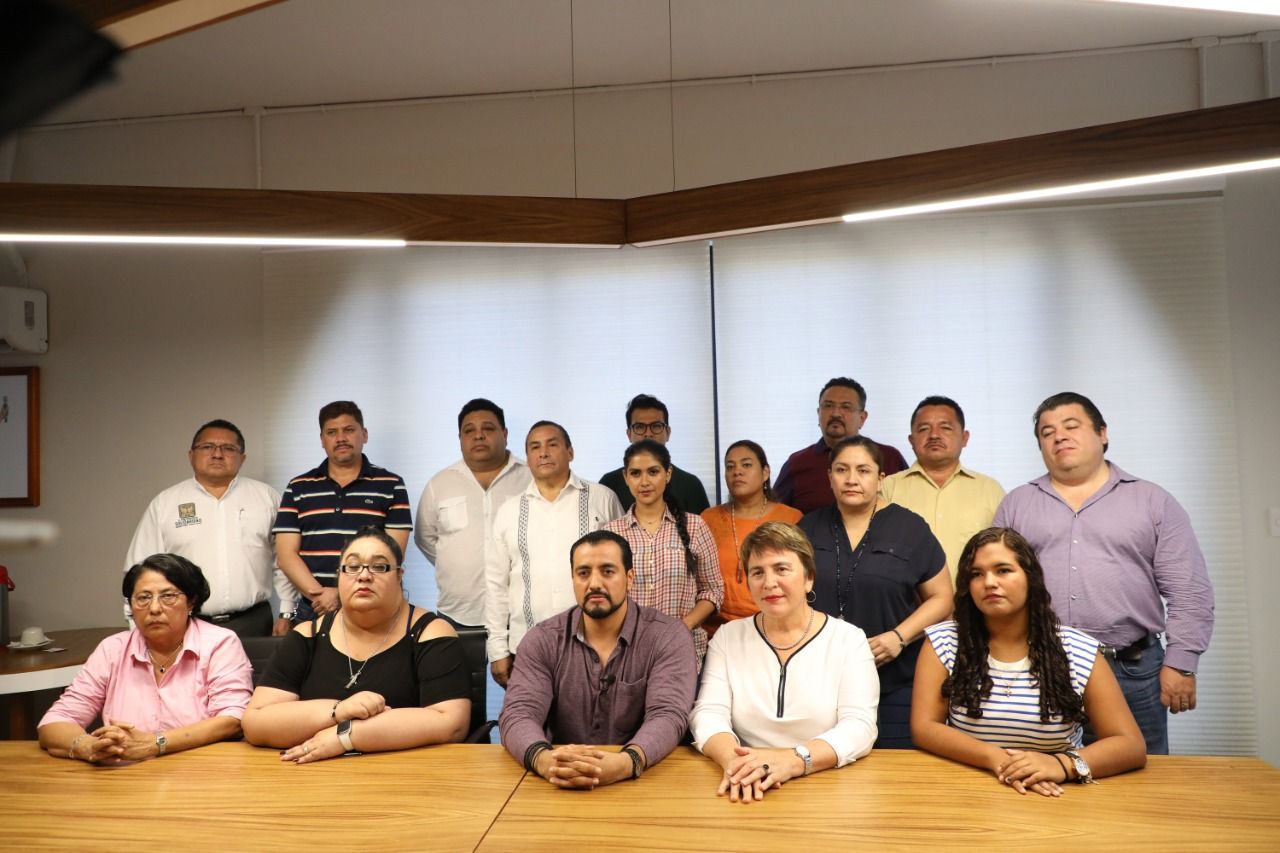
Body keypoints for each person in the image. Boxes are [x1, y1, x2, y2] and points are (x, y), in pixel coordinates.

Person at [993, 392, 1214, 755]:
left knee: (1139, 777)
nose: (1059, 436)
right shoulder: (1017, 505)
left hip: (1132, 671)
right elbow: (997, 588)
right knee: (1042, 775)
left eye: (1071, 426)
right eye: (1047, 432)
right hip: (1042, 668)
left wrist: (1182, 664)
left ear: (1102, 433)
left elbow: (1188, 590)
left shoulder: (1152, 501)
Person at [912, 527, 1147, 796]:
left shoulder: (1077, 649)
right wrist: (997, 759)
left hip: (1057, 793)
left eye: (1003, 570)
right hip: (967, 789)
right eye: (976, 574)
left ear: (1030, 578)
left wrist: (1061, 765)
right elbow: (924, 728)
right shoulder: (943, 641)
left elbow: (1130, 745)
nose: (989, 582)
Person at [242, 527, 470, 762]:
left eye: (379, 567)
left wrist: (346, 736)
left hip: (407, 772)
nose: (364, 576)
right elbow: (255, 723)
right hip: (316, 774)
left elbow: (451, 723)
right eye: (352, 566)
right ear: (339, 576)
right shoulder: (307, 635)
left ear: (399, 576)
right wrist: (338, 711)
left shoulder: (430, 632)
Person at [690, 521, 879, 803]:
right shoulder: (728, 637)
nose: (769, 583)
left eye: (781, 569)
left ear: (808, 578)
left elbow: (860, 726)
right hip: (744, 783)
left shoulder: (849, 640)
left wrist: (794, 761)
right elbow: (708, 713)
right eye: (757, 572)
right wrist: (735, 763)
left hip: (825, 783)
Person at [499, 530, 697, 788]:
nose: (594, 583)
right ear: (573, 579)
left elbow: (668, 715)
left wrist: (626, 763)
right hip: (561, 778)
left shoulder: (668, 636)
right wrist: (545, 761)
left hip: (645, 778)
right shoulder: (542, 639)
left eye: (607, 571)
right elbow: (519, 713)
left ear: (629, 578)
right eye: (583, 573)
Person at [798, 435, 953, 748]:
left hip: (894, 680)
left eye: (863, 470)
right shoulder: (808, 528)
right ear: (829, 476)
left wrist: (899, 637)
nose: (851, 479)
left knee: (896, 768)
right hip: (822, 681)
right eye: (841, 470)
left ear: (881, 478)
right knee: (828, 764)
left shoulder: (910, 528)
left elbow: (942, 598)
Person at [38, 554, 253, 762]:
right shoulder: (112, 649)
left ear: (191, 602)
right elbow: (55, 722)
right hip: (125, 773)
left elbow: (232, 718)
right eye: (143, 598)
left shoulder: (219, 643)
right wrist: (88, 747)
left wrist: (156, 743)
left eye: (168, 596)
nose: (154, 608)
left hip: (199, 771)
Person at [124, 419, 296, 638]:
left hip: (254, 622)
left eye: (228, 448)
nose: (217, 454)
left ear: (242, 458)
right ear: (191, 455)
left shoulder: (267, 498)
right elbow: (139, 570)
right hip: (185, 622)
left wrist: (287, 612)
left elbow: (284, 560)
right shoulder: (165, 504)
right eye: (207, 447)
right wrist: (136, 625)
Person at [484, 421, 622, 687]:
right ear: (527, 458)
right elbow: (496, 585)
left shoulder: (602, 499)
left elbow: (622, 572)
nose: (543, 453)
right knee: (533, 713)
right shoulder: (509, 511)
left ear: (570, 452)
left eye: (552, 444)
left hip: (599, 644)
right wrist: (497, 649)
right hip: (529, 647)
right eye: (535, 447)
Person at [273, 401, 412, 624]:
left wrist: (341, 594)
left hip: (372, 604)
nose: (340, 438)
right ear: (322, 439)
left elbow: (393, 554)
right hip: (314, 607)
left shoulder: (391, 484)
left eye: (348, 430)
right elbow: (286, 555)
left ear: (364, 435)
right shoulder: (298, 487)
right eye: (332, 432)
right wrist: (321, 595)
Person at [603, 440, 724, 664]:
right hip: (627, 653)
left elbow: (713, 590)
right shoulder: (612, 533)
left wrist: (684, 625)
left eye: (653, 472)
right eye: (636, 473)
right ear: (626, 478)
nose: (644, 482)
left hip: (682, 650)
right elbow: (605, 593)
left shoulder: (695, 526)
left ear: (668, 474)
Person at [415, 398, 531, 629]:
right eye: (469, 430)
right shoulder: (440, 484)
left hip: (520, 612)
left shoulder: (530, 478)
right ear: (460, 438)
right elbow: (425, 538)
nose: (478, 435)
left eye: (488, 428)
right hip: (456, 614)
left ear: (505, 433)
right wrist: (455, 565)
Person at [881, 396, 1005, 581]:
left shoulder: (990, 490)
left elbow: (1004, 554)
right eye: (924, 429)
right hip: (905, 598)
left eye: (945, 428)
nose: (934, 435)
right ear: (911, 440)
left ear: (964, 438)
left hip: (972, 598)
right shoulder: (888, 488)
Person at [701, 440, 803, 633]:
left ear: (765, 473)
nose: (737, 472)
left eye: (746, 465)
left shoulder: (791, 518)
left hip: (774, 626)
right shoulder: (707, 519)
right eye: (730, 467)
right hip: (716, 630)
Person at [774, 377, 908, 514]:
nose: (836, 413)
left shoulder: (890, 457)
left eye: (846, 407)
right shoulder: (797, 463)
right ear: (818, 413)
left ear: (862, 418)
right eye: (828, 405)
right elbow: (774, 514)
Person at [599, 393, 710, 513]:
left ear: (668, 433)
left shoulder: (691, 485)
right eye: (640, 427)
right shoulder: (609, 484)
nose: (648, 434)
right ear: (629, 434)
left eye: (656, 426)